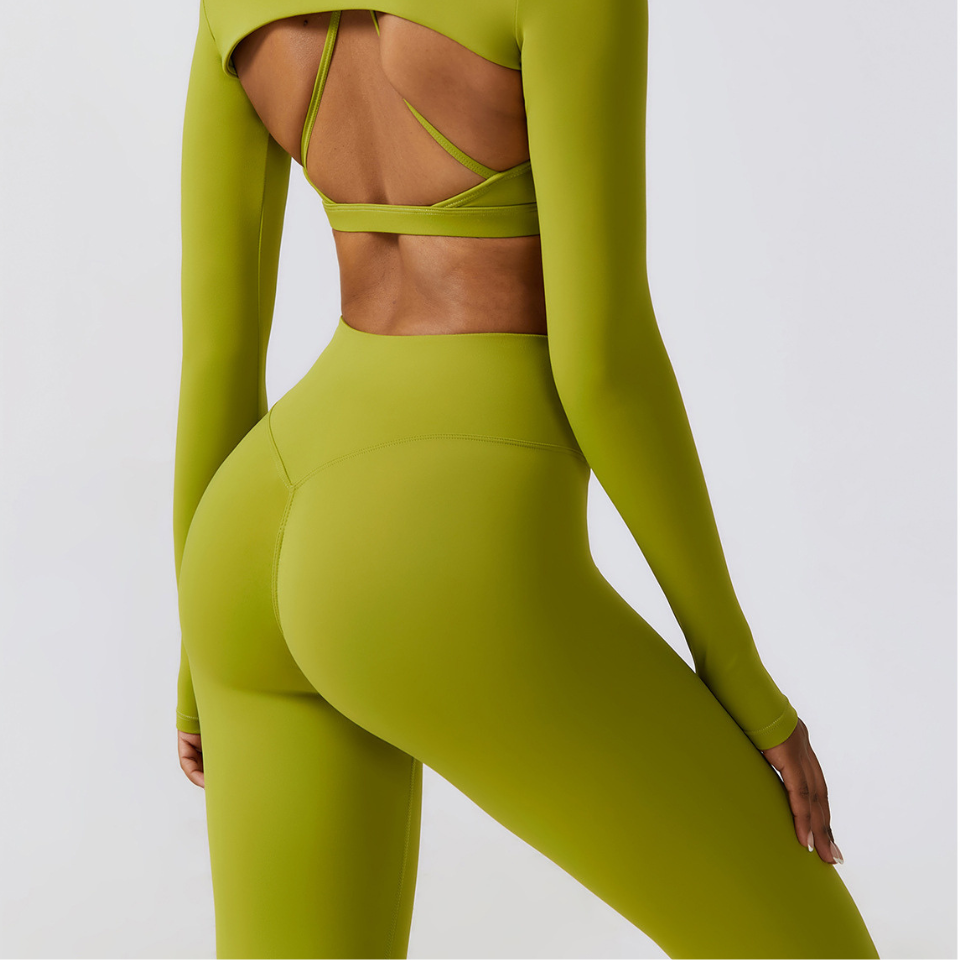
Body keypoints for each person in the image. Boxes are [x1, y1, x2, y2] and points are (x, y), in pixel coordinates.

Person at [172, 2, 881, 957]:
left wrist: (196, 656)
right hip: (431, 537)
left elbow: (218, 358)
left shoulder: (229, 9)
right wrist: (740, 679)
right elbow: (604, 368)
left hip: (242, 539)